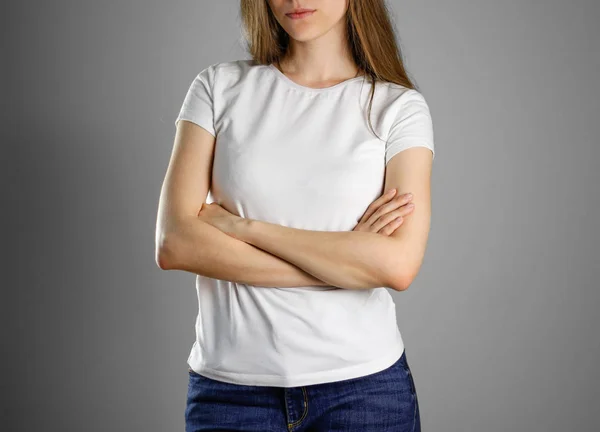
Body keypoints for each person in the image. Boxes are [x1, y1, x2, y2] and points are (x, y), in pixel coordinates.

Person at [155, 1, 435, 430]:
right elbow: (175, 243)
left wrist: (240, 227)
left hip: (364, 392)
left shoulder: (397, 108)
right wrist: (345, 264)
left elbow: (397, 266)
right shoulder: (218, 86)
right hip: (229, 394)